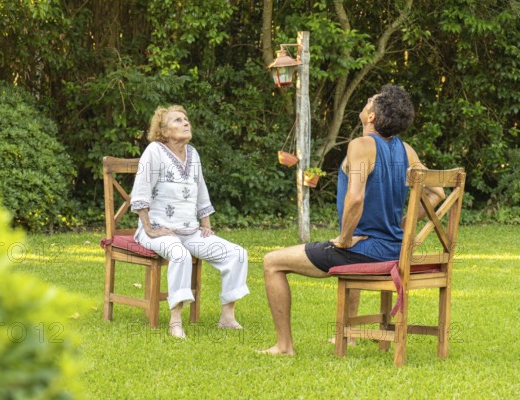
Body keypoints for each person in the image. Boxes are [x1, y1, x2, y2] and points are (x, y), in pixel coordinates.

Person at [260, 84, 445, 355]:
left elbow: (355, 198)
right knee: (350, 251)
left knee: (272, 262)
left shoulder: (360, 145)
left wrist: (344, 239)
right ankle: (347, 337)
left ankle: (284, 346)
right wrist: (404, 224)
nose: (367, 101)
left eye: (371, 100)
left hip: (366, 251)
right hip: (395, 249)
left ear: (371, 117)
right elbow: (437, 192)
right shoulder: (406, 150)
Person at [130, 105, 250, 339]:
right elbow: (141, 190)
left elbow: (201, 190)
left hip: (190, 232)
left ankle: (227, 317)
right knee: (180, 254)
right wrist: (149, 227)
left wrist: (205, 223)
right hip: (157, 230)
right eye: (177, 120)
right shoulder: (154, 151)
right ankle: (175, 321)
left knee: (237, 254)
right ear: (163, 131)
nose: (186, 123)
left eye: (186, 119)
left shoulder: (193, 154)